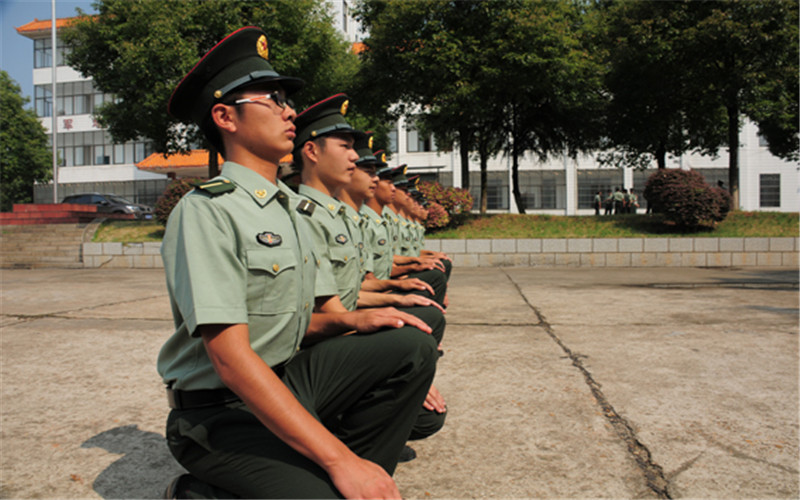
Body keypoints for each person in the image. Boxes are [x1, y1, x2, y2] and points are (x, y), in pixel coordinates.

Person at [158, 27, 438, 499]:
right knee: (332, 484)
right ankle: (202, 492)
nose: (290, 111)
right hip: (219, 412)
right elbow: (229, 358)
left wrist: (357, 320)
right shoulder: (208, 210)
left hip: (288, 379)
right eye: (271, 98)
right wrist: (338, 458)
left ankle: (348, 475)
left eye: (286, 99)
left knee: (411, 347)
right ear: (225, 116)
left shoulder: (288, 210)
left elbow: (296, 320)